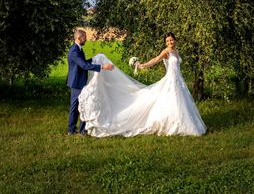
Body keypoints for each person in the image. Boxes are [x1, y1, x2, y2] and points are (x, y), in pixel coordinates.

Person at [78, 33, 207, 137]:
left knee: (181, 102)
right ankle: (172, 124)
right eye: (167, 41)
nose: (170, 43)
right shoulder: (166, 51)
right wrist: (142, 65)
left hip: (179, 80)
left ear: (175, 40)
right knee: (172, 100)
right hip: (171, 80)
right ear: (165, 43)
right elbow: (156, 60)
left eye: (171, 40)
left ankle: (182, 123)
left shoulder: (177, 52)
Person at [67, 28, 113, 135]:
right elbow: (83, 65)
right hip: (76, 82)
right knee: (76, 106)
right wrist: (102, 66)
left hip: (80, 80)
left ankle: (82, 129)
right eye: (84, 38)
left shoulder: (78, 49)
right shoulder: (74, 51)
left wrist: (95, 58)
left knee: (84, 103)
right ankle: (72, 130)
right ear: (79, 38)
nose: (86, 40)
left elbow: (83, 62)